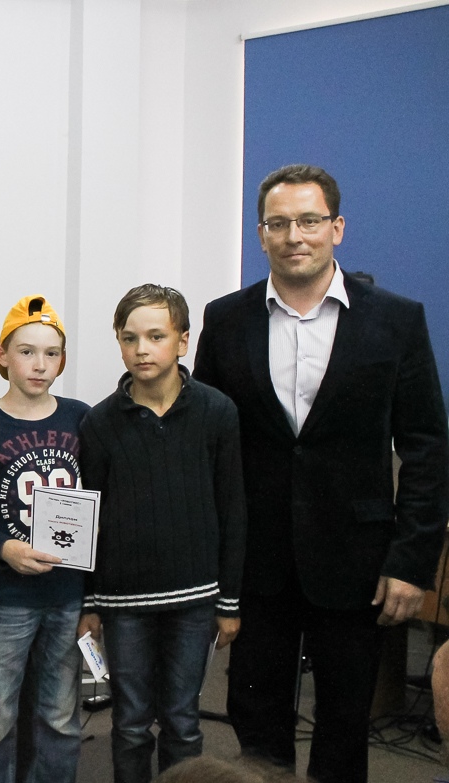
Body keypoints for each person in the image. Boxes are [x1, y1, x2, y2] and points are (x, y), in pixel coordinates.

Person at [193, 163, 449, 783]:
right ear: (261, 235)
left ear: (337, 228)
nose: (294, 236)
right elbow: (209, 445)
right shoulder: (225, 320)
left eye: (309, 221)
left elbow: (426, 446)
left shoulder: (396, 320)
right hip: (258, 562)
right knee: (256, 721)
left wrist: (411, 561)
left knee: (344, 725)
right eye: (278, 223)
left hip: (359, 562)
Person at [77, 284, 247, 783]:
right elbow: (89, 518)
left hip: (195, 599)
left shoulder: (217, 412)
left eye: (156, 336)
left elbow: (232, 508)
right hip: (123, 602)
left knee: (182, 721)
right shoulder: (99, 423)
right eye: (129, 338)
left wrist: (229, 602)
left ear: (183, 341)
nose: (142, 349)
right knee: (130, 723)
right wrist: (90, 600)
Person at [0, 295, 89, 783]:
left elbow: (97, 495)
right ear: (2, 355)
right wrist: (3, 548)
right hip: (8, 595)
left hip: (67, 592)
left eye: (51, 353)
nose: (39, 364)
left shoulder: (81, 418)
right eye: (27, 352)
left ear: (63, 361)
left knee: (60, 717)